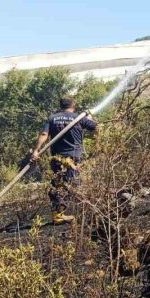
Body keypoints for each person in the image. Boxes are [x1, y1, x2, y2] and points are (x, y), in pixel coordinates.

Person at [30, 96, 97, 224]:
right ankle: (89, 212)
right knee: (74, 184)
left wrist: (36, 150)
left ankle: (58, 215)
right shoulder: (78, 117)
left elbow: (44, 135)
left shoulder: (52, 118)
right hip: (72, 157)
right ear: (73, 105)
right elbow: (95, 127)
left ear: (60, 106)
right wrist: (89, 118)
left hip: (56, 158)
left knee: (57, 184)